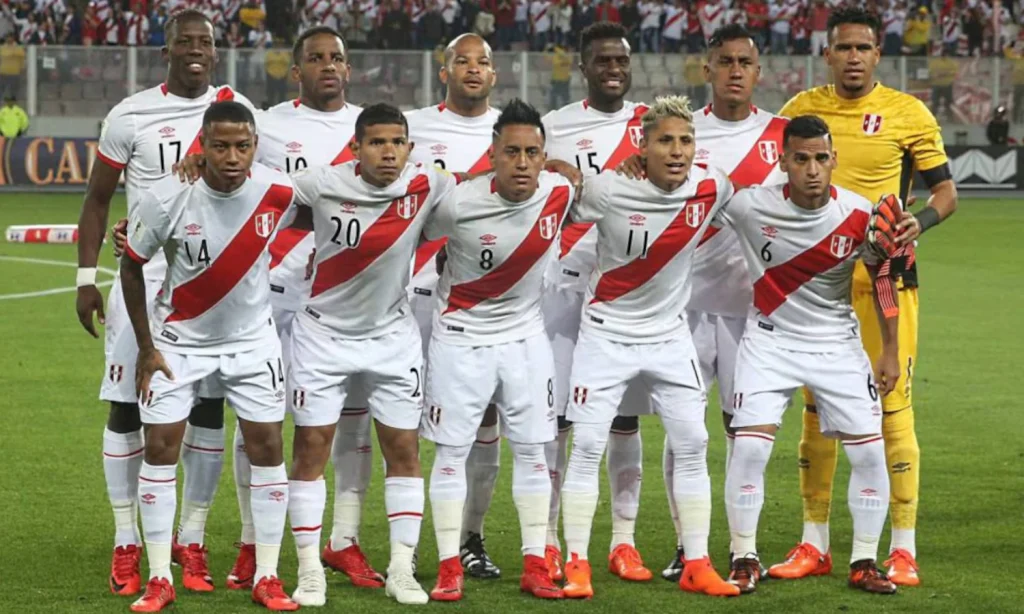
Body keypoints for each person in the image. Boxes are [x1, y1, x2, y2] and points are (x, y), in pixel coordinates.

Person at [74, 10, 256, 598]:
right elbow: (99, 199)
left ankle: (192, 538)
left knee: (206, 406)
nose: (196, 51)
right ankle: (127, 539)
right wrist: (84, 276)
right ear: (166, 51)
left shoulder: (236, 107)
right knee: (127, 404)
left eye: (205, 43)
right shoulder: (130, 114)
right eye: (185, 43)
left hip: (208, 281)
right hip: (142, 279)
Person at [775, 6, 958, 587]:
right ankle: (814, 542)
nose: (853, 57)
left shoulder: (908, 113)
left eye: (864, 48)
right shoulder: (799, 112)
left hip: (883, 285)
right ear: (827, 54)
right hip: (813, 286)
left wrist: (919, 222)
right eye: (843, 48)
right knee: (815, 415)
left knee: (892, 409)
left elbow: (947, 193)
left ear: (878, 55)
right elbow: (760, 176)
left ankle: (902, 547)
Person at [120, 100, 299, 613]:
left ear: (255, 146)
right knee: (160, 448)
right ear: (202, 146)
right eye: (219, 146)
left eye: (242, 146)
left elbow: (335, 205)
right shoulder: (166, 197)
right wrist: (147, 348)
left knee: (267, 447)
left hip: (252, 343)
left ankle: (267, 574)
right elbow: (132, 268)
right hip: (180, 344)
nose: (232, 156)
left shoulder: (278, 189)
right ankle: (159, 577)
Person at [559, 95, 738, 600]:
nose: (677, 151)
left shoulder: (710, 186)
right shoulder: (609, 189)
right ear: (644, 145)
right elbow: (555, 205)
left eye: (685, 140)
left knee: (693, 445)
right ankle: (576, 563)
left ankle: (698, 562)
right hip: (605, 335)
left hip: (668, 337)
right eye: (665, 141)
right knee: (588, 447)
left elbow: (750, 206)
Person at [285, 104, 458, 606]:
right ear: (356, 147)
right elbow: (257, 195)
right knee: (312, 447)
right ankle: (309, 567)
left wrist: (559, 170)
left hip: (392, 336)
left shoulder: (428, 185)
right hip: (322, 336)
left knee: (403, 449)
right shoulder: (320, 183)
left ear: (410, 147)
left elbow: (488, 186)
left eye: (397, 142)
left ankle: (401, 568)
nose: (389, 152)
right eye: (377, 142)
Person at [721, 114, 902, 596]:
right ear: (783, 162)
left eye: (821, 158)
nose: (813, 169)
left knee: (869, 454)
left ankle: (864, 559)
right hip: (769, 340)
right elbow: (693, 193)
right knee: (751, 446)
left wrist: (889, 349)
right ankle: (743, 555)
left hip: (837, 346)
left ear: (834, 159)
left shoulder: (860, 214)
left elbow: (883, 277)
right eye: (801, 159)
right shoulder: (748, 206)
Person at [243, 26, 378, 600]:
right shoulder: (269, 126)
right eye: (316, 58)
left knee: (353, 418)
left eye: (338, 58)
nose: (328, 66)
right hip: (278, 291)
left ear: (349, 70)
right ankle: (255, 539)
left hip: (351, 298)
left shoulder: (374, 129)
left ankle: (343, 538)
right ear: (295, 70)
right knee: (262, 418)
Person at [422, 99, 572, 602]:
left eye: (533, 152)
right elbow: (412, 234)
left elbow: (599, 193)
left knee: (534, 450)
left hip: (527, 339)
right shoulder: (457, 202)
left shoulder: (559, 191)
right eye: (512, 152)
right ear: (493, 153)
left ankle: (534, 562)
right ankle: (448, 566)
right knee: (452, 452)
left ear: (545, 156)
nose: (523, 162)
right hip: (461, 340)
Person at [663, 23, 788, 582]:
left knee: (746, 431)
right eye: (725, 61)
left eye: (745, 62)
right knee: (683, 431)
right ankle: (686, 544)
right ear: (706, 69)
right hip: (683, 309)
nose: (735, 71)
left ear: (758, 72)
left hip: (754, 313)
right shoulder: (680, 133)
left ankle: (745, 548)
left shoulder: (784, 136)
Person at [540, 21, 650, 585]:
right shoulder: (555, 127)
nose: (614, 68)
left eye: (621, 60)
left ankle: (624, 542)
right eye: (603, 60)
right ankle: (554, 541)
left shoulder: (653, 125)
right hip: (563, 288)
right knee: (558, 421)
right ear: (583, 67)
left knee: (623, 420)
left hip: (628, 292)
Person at [405, 32, 504, 580]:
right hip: (410, 295)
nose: (472, 69)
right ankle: (409, 540)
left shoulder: (511, 134)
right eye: (461, 62)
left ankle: (470, 538)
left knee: (482, 417)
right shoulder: (413, 127)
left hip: (477, 304)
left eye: (482, 62)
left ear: (495, 74)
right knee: (407, 424)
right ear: (443, 72)